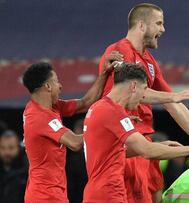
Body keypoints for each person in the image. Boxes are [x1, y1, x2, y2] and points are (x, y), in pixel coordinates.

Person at [98, 3, 189, 202]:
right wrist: (173, 96)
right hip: (127, 142)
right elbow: (130, 91)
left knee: (155, 198)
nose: (163, 29)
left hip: (146, 143)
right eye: (159, 23)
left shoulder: (149, 62)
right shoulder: (119, 51)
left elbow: (174, 106)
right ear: (141, 25)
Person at [82, 63, 189, 203]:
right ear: (133, 86)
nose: (143, 97)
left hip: (100, 192)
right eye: (144, 90)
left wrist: (161, 145)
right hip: (108, 194)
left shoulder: (99, 108)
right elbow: (147, 150)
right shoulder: (112, 111)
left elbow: (113, 151)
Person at [22, 51, 122, 203]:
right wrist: (109, 129)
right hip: (45, 196)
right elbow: (75, 143)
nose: (60, 86)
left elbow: (85, 102)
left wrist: (103, 74)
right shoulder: (39, 117)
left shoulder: (50, 107)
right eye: (56, 82)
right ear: (48, 86)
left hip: (51, 192)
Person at [0, 130, 28, 203]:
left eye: (11, 148)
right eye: (2, 148)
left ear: (19, 148)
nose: (7, 152)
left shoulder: (27, 171)